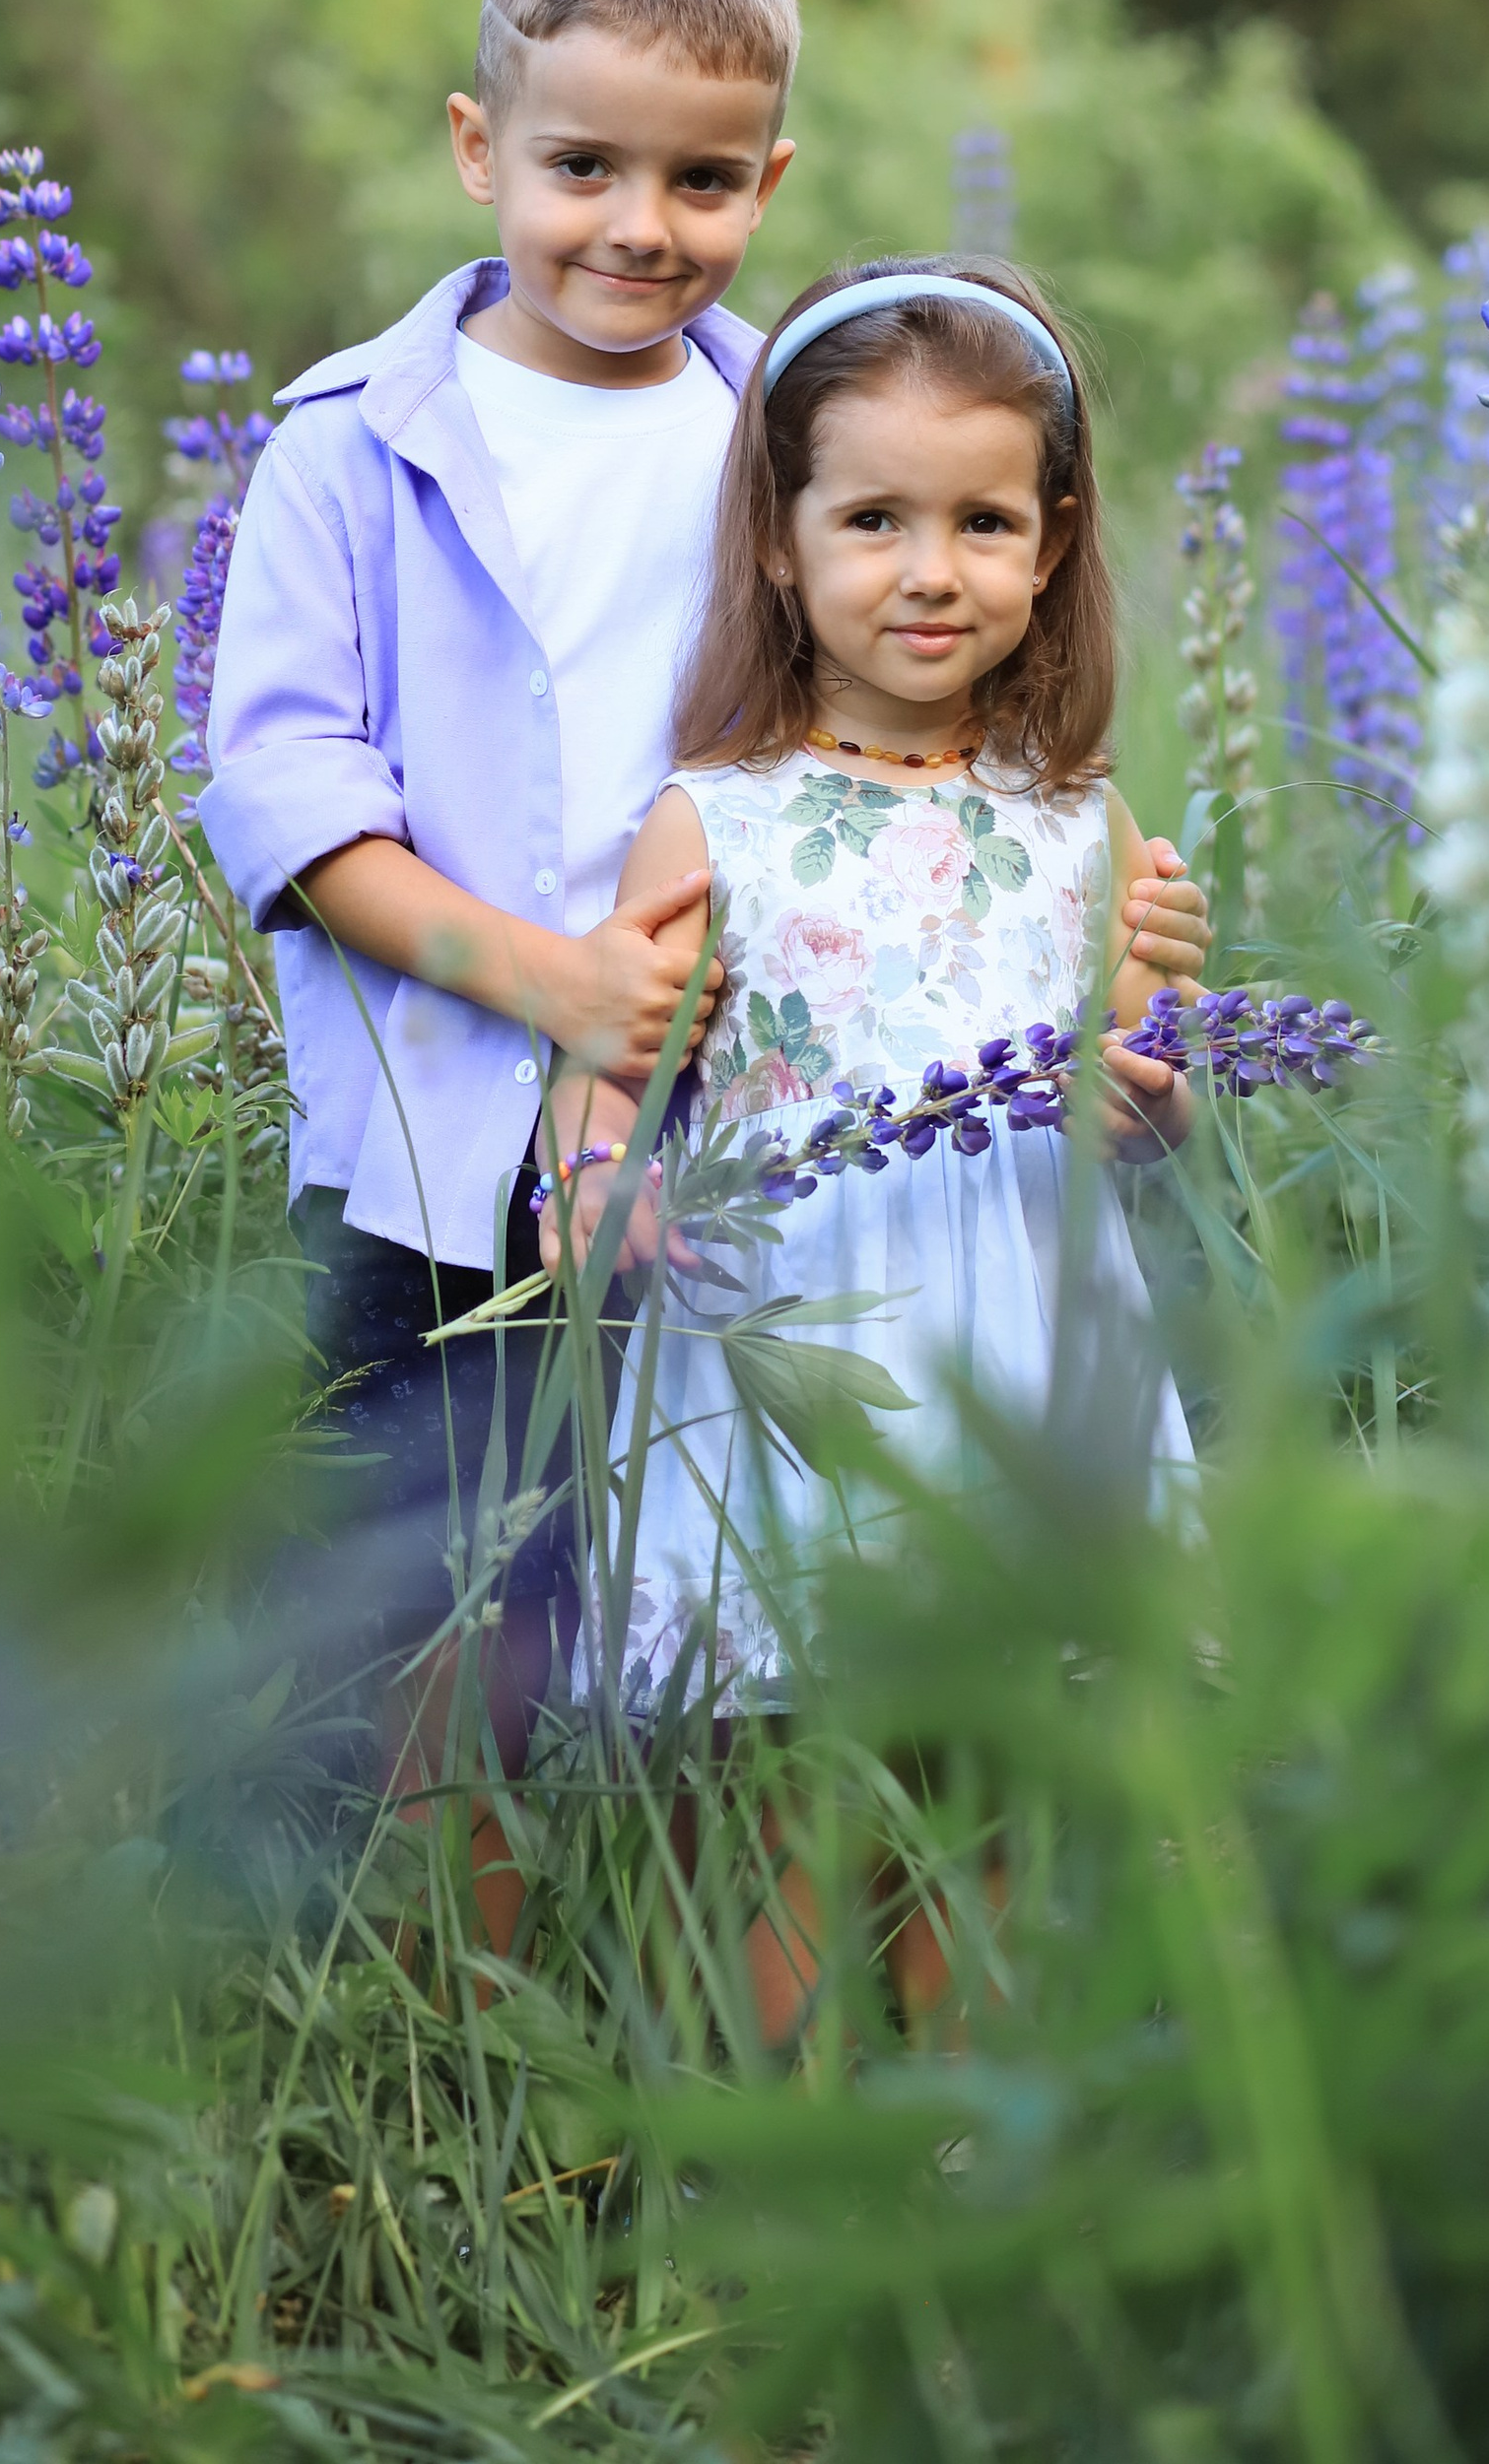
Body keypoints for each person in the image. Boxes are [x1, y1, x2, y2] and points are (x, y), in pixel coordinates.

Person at [203, 0, 1208, 1896]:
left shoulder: (797, 426)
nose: (635, 226)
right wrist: (554, 985)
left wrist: (1087, 905)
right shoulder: (355, 436)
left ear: (770, 179)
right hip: (462, 1129)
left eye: (699, 180)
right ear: (479, 147)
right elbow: (285, 786)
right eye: (580, 166)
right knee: (450, 1606)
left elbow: (916, 714)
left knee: (704, 1600)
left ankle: (688, 2020)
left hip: (773, 1151)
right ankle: (451, 2031)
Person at [544, 258, 1198, 2019]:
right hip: (799, 1346)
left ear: (1052, 544)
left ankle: (954, 2133)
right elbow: (610, 1071)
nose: (932, 571)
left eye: (985, 520)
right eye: (876, 518)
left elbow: (1137, 1099)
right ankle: (771, 2143)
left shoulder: (1080, 819)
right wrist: (600, 1187)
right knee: (787, 1772)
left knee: (980, 1747)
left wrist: (1152, 1084)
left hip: (1026, 1348)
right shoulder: (714, 819)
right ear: (782, 534)